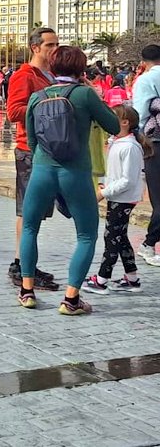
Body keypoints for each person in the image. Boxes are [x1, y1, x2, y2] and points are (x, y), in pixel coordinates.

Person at [20, 46, 120, 314]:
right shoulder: (84, 94)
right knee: (86, 234)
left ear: (52, 68)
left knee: (30, 227)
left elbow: (31, 141)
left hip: (42, 169)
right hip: (75, 171)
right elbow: (113, 125)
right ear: (81, 69)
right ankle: (71, 299)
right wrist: (94, 95)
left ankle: (27, 291)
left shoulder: (37, 96)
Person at [5, 27, 60, 289]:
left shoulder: (49, 75)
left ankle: (25, 262)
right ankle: (23, 267)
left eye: (56, 44)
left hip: (47, 148)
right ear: (35, 47)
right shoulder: (24, 76)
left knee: (34, 213)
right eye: (49, 45)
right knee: (28, 212)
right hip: (30, 149)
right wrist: (49, 105)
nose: (54, 49)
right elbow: (13, 111)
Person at [84, 104, 149, 294]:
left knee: (111, 237)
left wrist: (104, 193)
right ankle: (132, 278)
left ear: (125, 122)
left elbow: (127, 180)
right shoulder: (117, 142)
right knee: (120, 237)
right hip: (118, 196)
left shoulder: (129, 147)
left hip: (124, 198)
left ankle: (102, 279)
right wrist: (105, 185)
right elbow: (115, 172)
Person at [132, 44, 160, 266]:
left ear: (143, 61)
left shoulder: (145, 80)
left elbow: (140, 112)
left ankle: (148, 243)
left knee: (158, 197)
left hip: (154, 142)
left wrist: (136, 136)